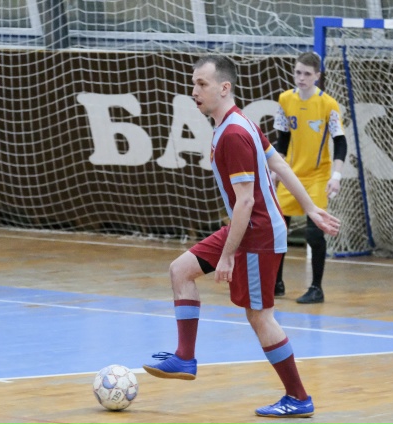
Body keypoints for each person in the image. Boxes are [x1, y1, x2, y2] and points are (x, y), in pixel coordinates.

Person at [142, 55, 340, 418]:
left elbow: (246, 201)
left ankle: (298, 397)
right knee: (181, 270)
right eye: (193, 83)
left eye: (202, 84)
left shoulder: (234, 134)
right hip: (245, 225)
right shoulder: (238, 122)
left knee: (260, 317)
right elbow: (278, 163)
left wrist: (228, 255)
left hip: (257, 232)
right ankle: (184, 357)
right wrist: (310, 207)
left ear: (224, 87)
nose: (194, 91)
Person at [273, 52, 347, 304]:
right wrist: (275, 171)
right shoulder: (285, 100)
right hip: (291, 175)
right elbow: (282, 141)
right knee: (277, 231)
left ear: (317, 76)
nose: (301, 78)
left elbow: (340, 142)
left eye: (307, 74)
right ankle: (276, 283)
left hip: (317, 176)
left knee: (314, 234)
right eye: (298, 72)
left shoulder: (328, 104)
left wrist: (336, 176)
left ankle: (316, 288)